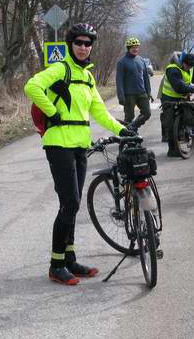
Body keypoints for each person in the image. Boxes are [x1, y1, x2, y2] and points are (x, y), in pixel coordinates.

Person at [24, 23, 133, 286]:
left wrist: (123, 129)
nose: (83, 47)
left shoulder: (87, 77)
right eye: (78, 42)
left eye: (88, 43)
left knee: (73, 202)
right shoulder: (60, 69)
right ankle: (56, 264)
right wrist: (51, 111)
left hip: (79, 145)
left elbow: (99, 111)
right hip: (58, 143)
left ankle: (70, 259)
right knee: (69, 202)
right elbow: (32, 87)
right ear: (70, 44)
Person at [159, 51, 194, 156]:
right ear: (182, 62)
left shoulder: (191, 68)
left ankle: (183, 137)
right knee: (170, 123)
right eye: (187, 65)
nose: (188, 68)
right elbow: (179, 87)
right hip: (169, 98)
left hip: (183, 97)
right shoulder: (172, 69)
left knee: (188, 116)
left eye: (191, 66)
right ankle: (172, 150)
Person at [116, 37, 152, 129]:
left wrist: (148, 92)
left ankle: (133, 128)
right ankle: (127, 137)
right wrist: (121, 97)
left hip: (141, 92)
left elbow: (145, 78)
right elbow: (119, 81)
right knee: (129, 118)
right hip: (129, 95)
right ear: (128, 48)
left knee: (147, 113)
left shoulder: (141, 60)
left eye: (137, 47)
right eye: (133, 47)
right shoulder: (121, 62)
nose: (135, 49)